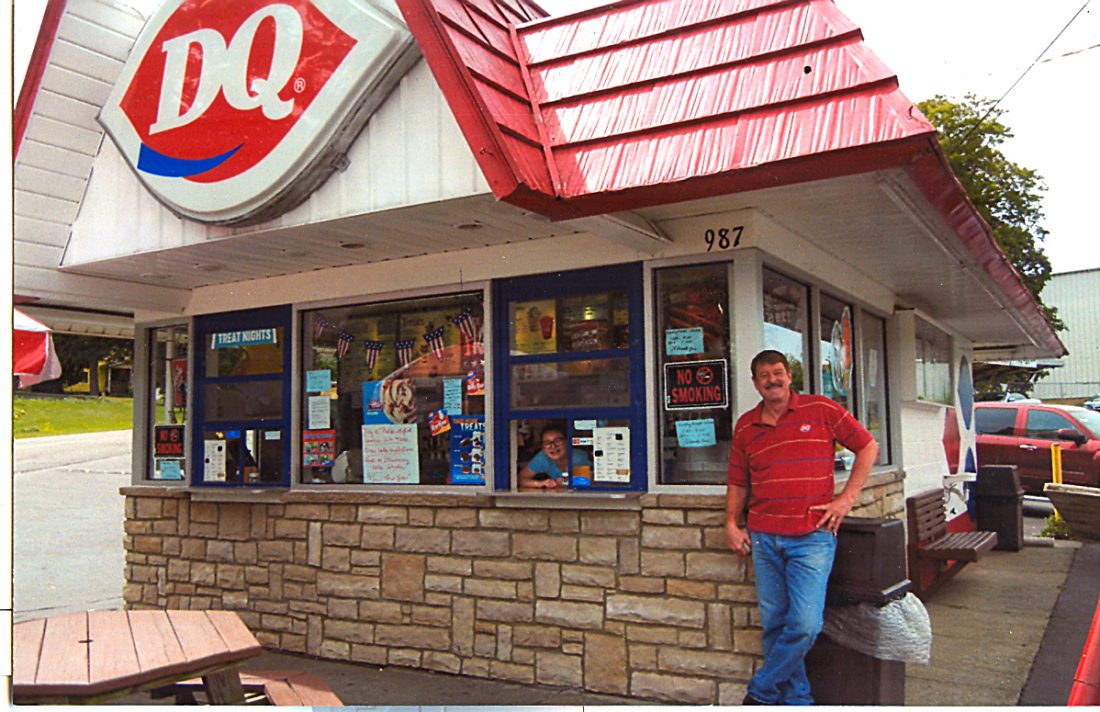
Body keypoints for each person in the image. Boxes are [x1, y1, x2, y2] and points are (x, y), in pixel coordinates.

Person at [727, 350, 879, 705]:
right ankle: (798, 701)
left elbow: (868, 446)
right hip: (764, 538)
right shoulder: (746, 426)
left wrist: (846, 499)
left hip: (812, 537)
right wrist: (731, 523)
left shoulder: (821, 409)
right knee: (775, 625)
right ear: (755, 383)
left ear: (789, 376)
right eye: (764, 375)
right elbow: (737, 481)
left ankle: (760, 692)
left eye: (778, 372)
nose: (772, 380)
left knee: (805, 624)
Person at [518, 426, 589, 489]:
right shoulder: (543, 457)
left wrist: (565, 482)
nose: (553, 446)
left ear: (567, 442)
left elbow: (586, 482)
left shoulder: (578, 456)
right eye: (547, 443)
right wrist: (541, 483)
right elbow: (520, 479)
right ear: (542, 447)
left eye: (557, 441)